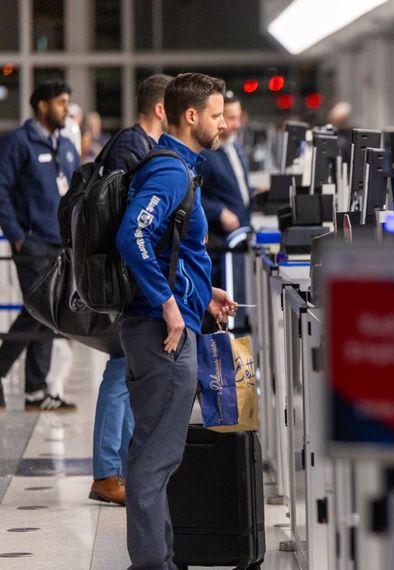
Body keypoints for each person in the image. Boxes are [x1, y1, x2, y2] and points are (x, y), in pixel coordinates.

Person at [115, 72, 237, 569]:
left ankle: (159, 558)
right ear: (191, 117)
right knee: (154, 459)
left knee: (155, 453)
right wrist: (167, 301)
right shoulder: (170, 172)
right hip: (161, 332)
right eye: (215, 115)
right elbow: (133, 236)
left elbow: (169, 246)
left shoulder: (178, 167)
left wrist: (201, 291)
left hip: (171, 321)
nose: (223, 123)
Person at [88, 74, 172, 507]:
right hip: (122, 276)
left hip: (128, 275)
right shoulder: (131, 147)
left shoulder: (138, 144)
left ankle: (118, 466)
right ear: (161, 109)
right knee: (120, 371)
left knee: (124, 370)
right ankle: (106, 472)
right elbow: (124, 222)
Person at [0, 80, 79, 412]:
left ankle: (35, 390)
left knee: (48, 314)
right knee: (38, 310)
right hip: (32, 242)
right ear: (42, 106)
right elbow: (1, 190)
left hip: (61, 242)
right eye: (61, 102)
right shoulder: (19, 142)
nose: (66, 108)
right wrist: (17, 235)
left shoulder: (65, 145)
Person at [197, 92, 254, 288]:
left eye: (239, 117)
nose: (237, 124)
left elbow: (234, 185)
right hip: (221, 243)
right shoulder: (205, 154)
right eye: (231, 118)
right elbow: (195, 195)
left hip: (242, 235)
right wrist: (219, 210)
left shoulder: (235, 147)